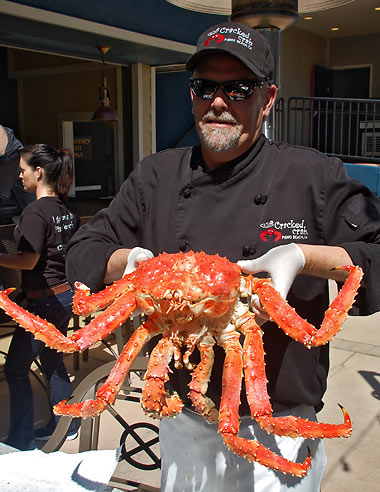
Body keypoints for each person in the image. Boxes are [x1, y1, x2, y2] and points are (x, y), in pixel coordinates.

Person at [65, 22, 380, 492]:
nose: (218, 101)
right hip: (178, 423)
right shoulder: (156, 176)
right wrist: (125, 263)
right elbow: (82, 250)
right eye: (205, 87)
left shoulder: (313, 176)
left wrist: (305, 257)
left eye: (238, 88)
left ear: (268, 98)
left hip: (276, 431)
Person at [0, 143, 80, 450]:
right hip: (64, 296)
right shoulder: (66, 209)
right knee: (50, 357)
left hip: (43, 301)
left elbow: (28, 260)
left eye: (22, 170)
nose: (19, 176)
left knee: (16, 369)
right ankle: (65, 423)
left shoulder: (34, 212)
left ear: (39, 171)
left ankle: (22, 438)